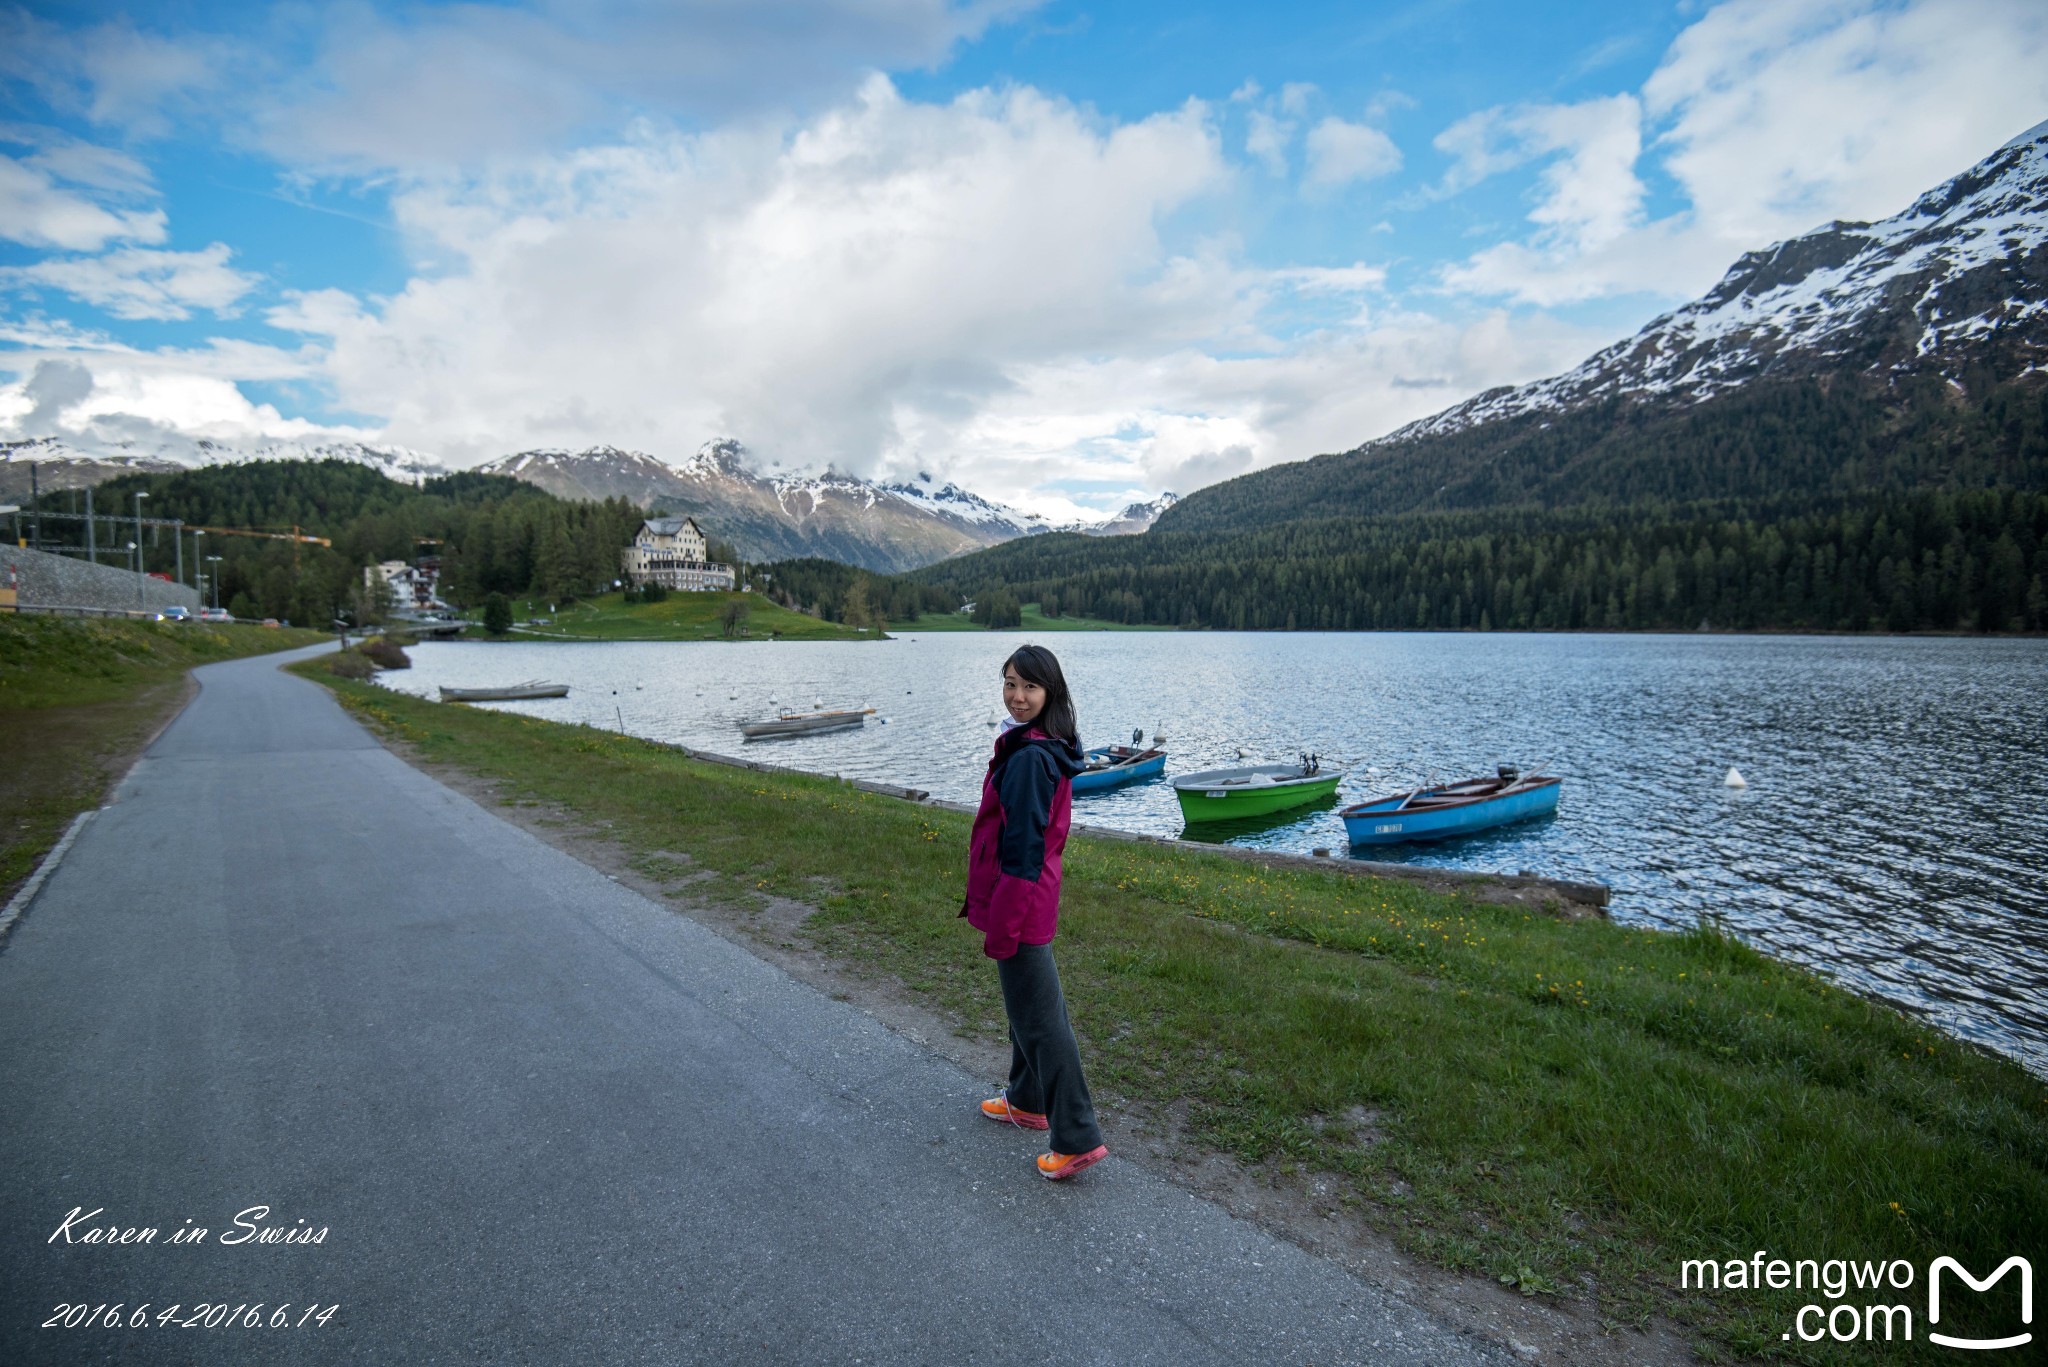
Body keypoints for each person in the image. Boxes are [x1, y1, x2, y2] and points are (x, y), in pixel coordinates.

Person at [960, 644, 1108, 1180]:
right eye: (1010, 683)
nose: (1018, 697)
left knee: (1043, 1021)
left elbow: (1021, 853)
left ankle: (1077, 1136)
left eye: (1030, 687)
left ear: (1051, 694)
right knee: (1026, 1007)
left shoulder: (1028, 759)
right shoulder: (1042, 743)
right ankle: (1026, 1099)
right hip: (1031, 898)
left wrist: (1005, 924)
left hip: (1019, 902)